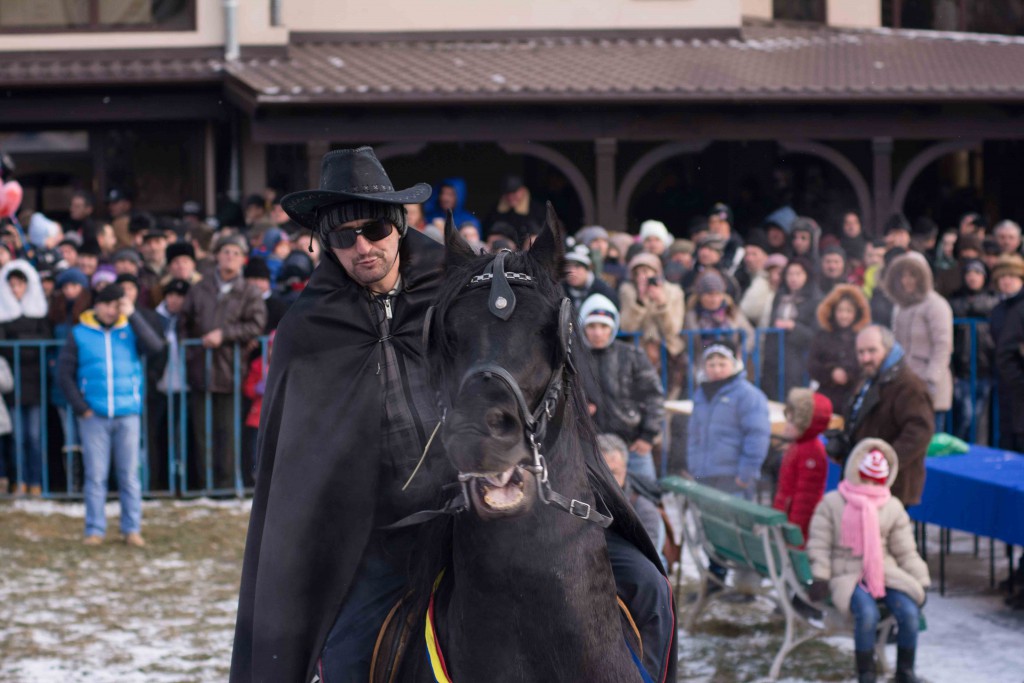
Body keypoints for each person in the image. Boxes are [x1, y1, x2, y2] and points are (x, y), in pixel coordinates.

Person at [231, 147, 674, 683]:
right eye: (343, 237)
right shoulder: (310, 329)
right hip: (390, 527)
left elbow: (517, 348)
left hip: (493, 491)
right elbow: (305, 460)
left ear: (398, 225)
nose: (362, 246)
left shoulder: (452, 288)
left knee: (648, 588)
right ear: (325, 243)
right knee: (347, 656)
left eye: (373, 229)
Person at [806, 438, 930, 683]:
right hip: (846, 572)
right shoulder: (833, 502)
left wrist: (920, 579)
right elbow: (819, 544)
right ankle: (866, 674)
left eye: (876, 480)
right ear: (855, 471)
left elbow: (906, 550)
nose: (870, 486)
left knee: (908, 612)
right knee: (867, 614)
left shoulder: (892, 506)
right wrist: (821, 575)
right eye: (865, 478)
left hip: (884, 571)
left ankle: (905, 672)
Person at [57, 283, 165, 546]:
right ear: (96, 305)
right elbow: (64, 374)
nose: (110, 310)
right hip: (94, 415)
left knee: (129, 476)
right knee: (95, 476)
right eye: (106, 304)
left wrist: (133, 315)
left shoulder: (130, 328)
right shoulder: (79, 333)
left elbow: (156, 347)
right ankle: (95, 529)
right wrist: (81, 407)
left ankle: (132, 529)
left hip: (127, 413)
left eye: (116, 305)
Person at [180, 233, 266, 490]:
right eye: (225, 251)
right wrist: (193, 352)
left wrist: (225, 335)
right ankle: (204, 487)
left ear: (243, 259)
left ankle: (225, 488)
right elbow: (183, 323)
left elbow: (256, 325)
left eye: (235, 253)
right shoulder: (199, 288)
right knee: (201, 433)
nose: (230, 257)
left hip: (232, 370)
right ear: (216, 256)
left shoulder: (249, 292)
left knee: (228, 434)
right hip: (200, 370)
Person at [686, 343, 770, 591]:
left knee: (740, 531)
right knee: (712, 529)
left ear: (734, 364)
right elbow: (694, 435)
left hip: (733, 477)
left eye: (722, 363)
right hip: (706, 475)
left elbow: (757, 436)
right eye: (711, 364)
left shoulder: (747, 395)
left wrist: (746, 473)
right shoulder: (702, 394)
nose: (716, 369)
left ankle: (747, 584)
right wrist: (694, 467)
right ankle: (716, 579)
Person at [828, 325, 933, 508]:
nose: (865, 358)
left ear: (888, 349)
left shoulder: (909, 385)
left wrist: (882, 464)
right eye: (861, 352)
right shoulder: (869, 378)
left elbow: (920, 432)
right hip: (863, 483)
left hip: (892, 487)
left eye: (872, 351)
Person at [579, 294, 665, 482]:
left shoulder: (632, 355)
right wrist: (578, 408)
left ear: (613, 328)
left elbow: (654, 397)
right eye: (592, 326)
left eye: (604, 327)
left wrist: (648, 436)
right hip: (589, 447)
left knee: (644, 494)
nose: (598, 333)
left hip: (633, 446)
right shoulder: (573, 358)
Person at [884, 252, 954, 430]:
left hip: (929, 382)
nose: (906, 281)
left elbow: (943, 346)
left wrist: (931, 380)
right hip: (904, 383)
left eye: (912, 275)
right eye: (902, 275)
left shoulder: (936, 304)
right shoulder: (899, 306)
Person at [0, 259, 50, 496]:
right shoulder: (4, 316)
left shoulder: (39, 313)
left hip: (35, 384)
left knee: (35, 436)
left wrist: (19, 344)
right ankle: (19, 481)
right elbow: (6, 349)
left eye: (19, 285)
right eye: (11, 285)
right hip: (13, 385)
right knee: (18, 437)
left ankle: (35, 481)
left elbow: (44, 342)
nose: (15, 289)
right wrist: (27, 345)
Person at [618, 252, 687, 399]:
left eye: (646, 271)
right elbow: (627, 327)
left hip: (668, 351)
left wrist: (662, 304)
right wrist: (640, 301)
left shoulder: (674, 292)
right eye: (637, 273)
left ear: (657, 272)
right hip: (639, 350)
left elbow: (673, 329)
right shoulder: (628, 291)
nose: (641, 276)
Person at [772, 388, 832, 545]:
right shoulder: (798, 446)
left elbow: (806, 499)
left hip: (796, 528)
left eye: (792, 422)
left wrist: (794, 532)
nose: (786, 427)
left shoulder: (811, 452)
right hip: (785, 516)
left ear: (806, 425)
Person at [599, 432, 667, 568]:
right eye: (601, 472)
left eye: (613, 473)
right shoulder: (579, 502)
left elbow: (647, 562)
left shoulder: (643, 510)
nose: (607, 480)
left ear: (625, 470)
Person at [948, 259, 998, 443]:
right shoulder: (955, 302)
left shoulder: (993, 301)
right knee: (964, 418)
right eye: (969, 273)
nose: (972, 277)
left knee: (981, 419)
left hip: (986, 369)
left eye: (977, 273)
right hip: (962, 370)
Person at [763, 257, 821, 400]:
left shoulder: (815, 299)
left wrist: (793, 327)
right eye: (790, 274)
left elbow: (815, 334)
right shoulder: (780, 296)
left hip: (799, 357)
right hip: (775, 355)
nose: (793, 278)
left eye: (798, 274)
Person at [809, 284, 872, 413]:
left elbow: (867, 366)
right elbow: (812, 365)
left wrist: (849, 375)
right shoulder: (823, 335)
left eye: (849, 311)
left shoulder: (863, 337)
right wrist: (831, 373)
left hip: (852, 397)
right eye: (840, 310)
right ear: (833, 311)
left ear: (856, 313)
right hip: (826, 397)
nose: (844, 316)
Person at [989, 254, 1024, 452]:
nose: (1006, 281)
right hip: (1005, 384)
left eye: (1011, 276)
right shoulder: (998, 310)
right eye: (1002, 276)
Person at [483, 174, 545, 242]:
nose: (510, 197)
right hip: (505, 246)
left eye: (514, 192)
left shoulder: (537, 209)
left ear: (522, 190)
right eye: (507, 193)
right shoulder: (496, 209)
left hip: (527, 245)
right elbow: (487, 232)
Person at [562, 245, 619, 311]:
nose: (571, 271)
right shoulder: (560, 290)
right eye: (568, 266)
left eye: (577, 267)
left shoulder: (604, 292)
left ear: (589, 268)